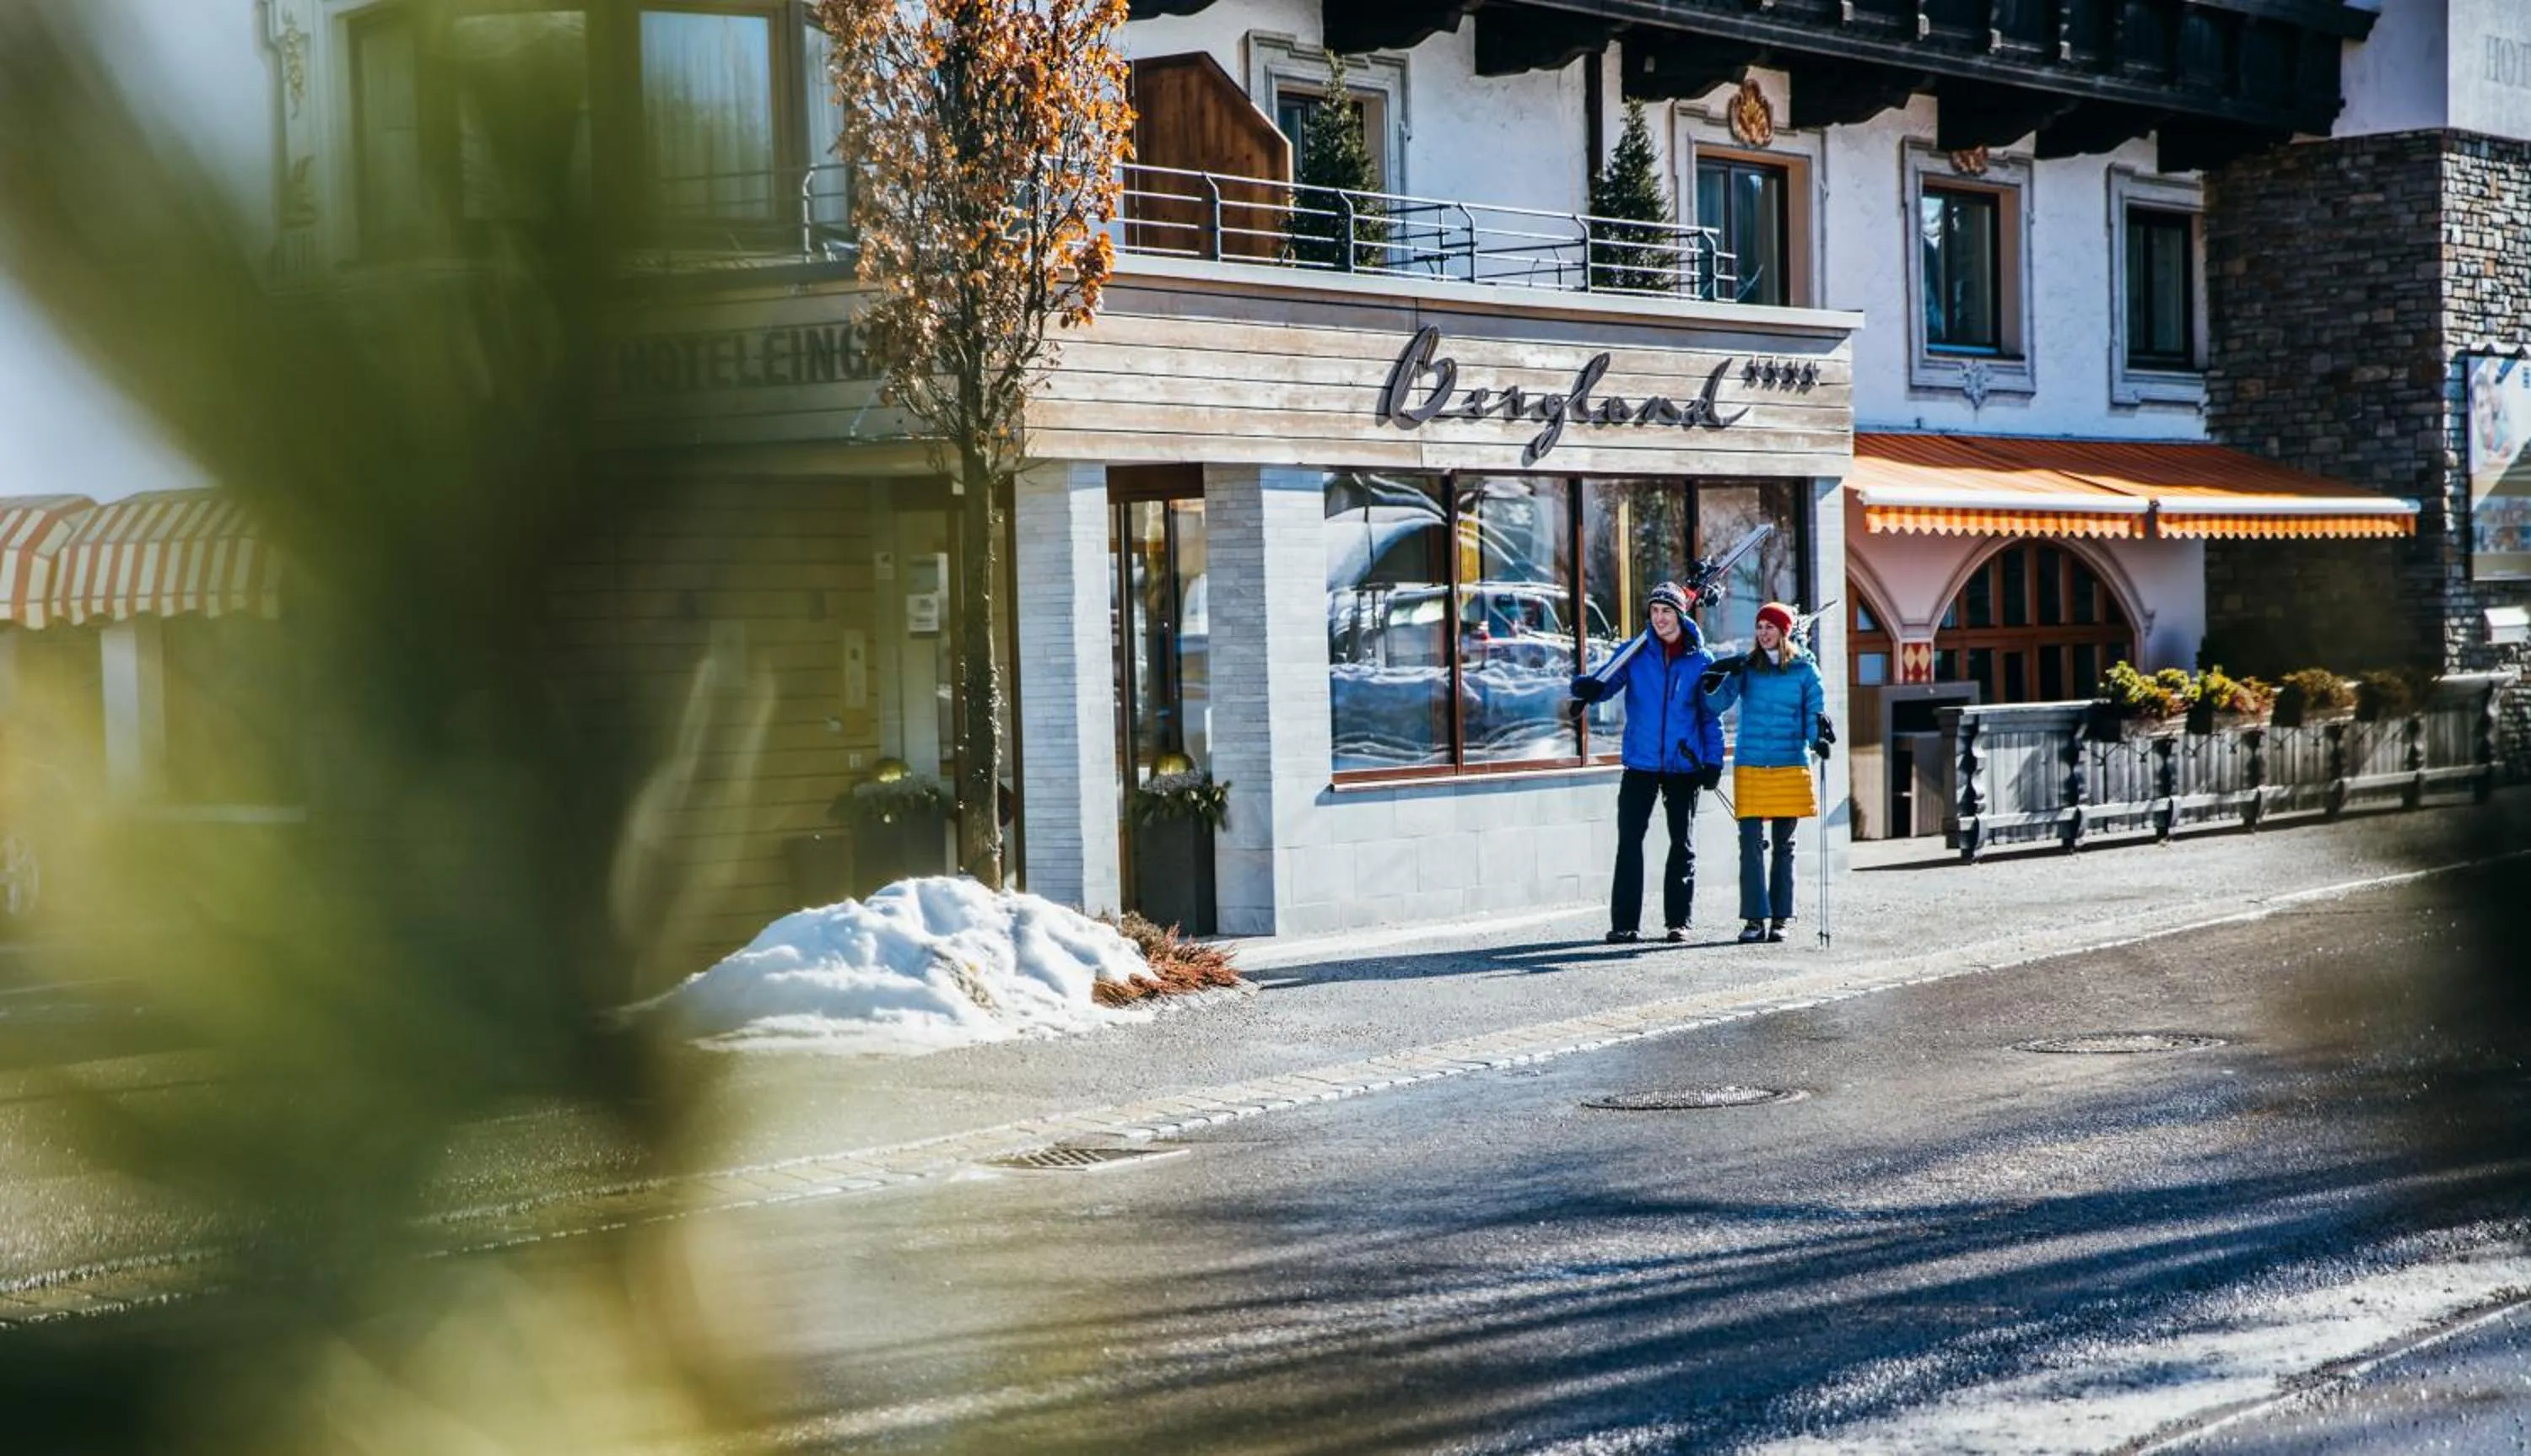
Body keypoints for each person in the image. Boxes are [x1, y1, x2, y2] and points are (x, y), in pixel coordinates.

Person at [1569, 582, 1725, 945]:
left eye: (1666, 611)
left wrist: (1713, 760)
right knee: (1629, 841)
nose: (1659, 618)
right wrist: (1587, 689)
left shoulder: (1701, 661)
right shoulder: (1636, 653)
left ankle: (1678, 922)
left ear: (1680, 615)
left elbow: (1709, 717)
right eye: (1654, 611)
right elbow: (1606, 681)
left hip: (1683, 764)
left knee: (1681, 843)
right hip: (1639, 762)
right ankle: (1625, 924)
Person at [1702, 601, 1832, 944]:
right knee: (1749, 844)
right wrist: (1713, 678)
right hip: (1752, 764)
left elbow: (1813, 714)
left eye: (1769, 627)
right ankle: (1754, 919)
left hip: (1790, 763)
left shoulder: (1805, 671)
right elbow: (1716, 704)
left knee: (1784, 845)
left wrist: (1819, 739)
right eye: (1759, 627)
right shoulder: (1748, 668)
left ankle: (1780, 918)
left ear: (1784, 631)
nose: (1763, 633)